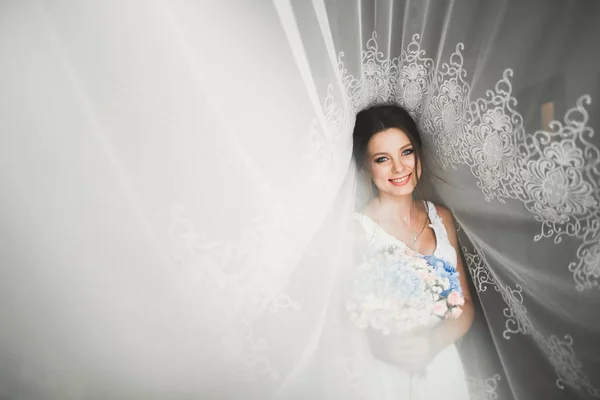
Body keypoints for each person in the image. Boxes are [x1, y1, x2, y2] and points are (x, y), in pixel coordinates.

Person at [349, 103, 475, 399]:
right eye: (383, 159)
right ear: (365, 166)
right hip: (387, 376)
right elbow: (348, 321)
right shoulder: (358, 232)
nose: (399, 168)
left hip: (443, 366)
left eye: (406, 152)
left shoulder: (441, 217)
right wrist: (391, 346)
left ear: (418, 152)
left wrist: (433, 342)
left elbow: (464, 303)